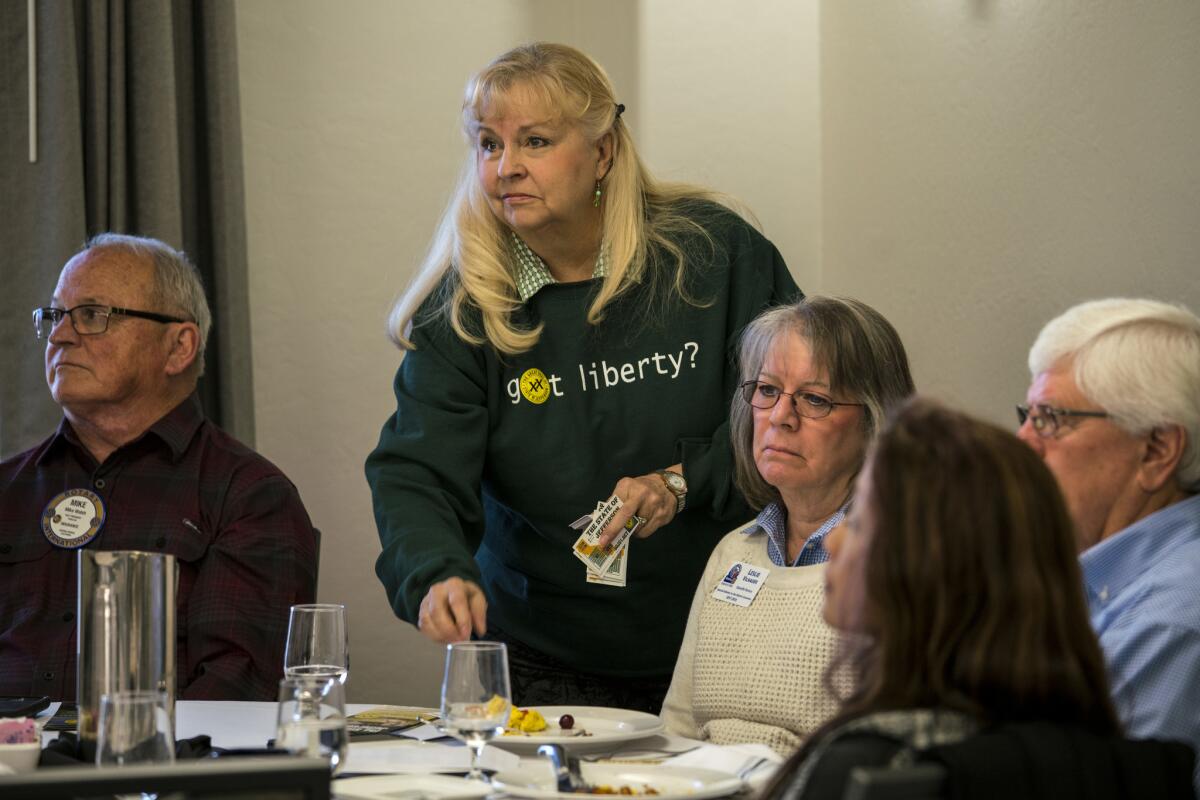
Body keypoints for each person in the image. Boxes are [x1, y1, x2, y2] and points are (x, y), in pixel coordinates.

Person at [365, 42, 798, 711]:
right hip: (541, 651)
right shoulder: (464, 310)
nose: (506, 168)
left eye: (534, 141)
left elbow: (795, 418)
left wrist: (681, 483)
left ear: (602, 152)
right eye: (488, 144)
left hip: (725, 630)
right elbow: (415, 471)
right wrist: (434, 575)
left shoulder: (716, 256)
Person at [0, 234, 319, 701]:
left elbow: (236, 690)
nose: (60, 335)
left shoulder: (248, 496)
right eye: (54, 316)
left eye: (92, 315)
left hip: (156, 767)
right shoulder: (8, 490)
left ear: (179, 347)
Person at [766, 398, 1122, 798]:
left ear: (927, 570)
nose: (833, 541)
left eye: (860, 522)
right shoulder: (1096, 755)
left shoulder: (874, 763)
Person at [661, 297, 914, 754]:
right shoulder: (733, 553)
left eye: (815, 399)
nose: (781, 416)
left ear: (876, 421)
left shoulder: (903, 562)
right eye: (767, 390)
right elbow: (676, 729)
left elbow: (896, 756)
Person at [1018, 298, 1200, 795]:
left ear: (1157, 450)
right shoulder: (1101, 576)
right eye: (1028, 414)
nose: (1023, 441)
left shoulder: (1170, 621)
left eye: (1051, 418)